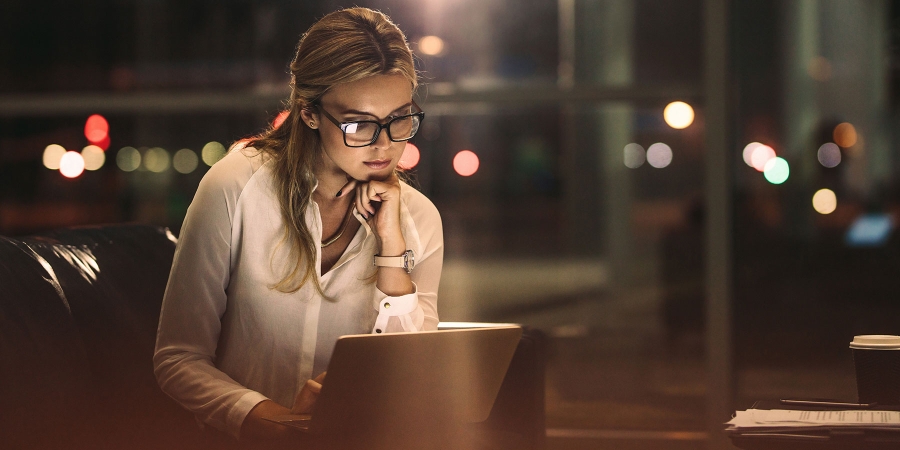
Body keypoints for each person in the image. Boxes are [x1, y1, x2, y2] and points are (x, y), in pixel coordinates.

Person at [153, 7, 443, 444]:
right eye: (358, 123)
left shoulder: (417, 218)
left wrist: (390, 246)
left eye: (400, 119)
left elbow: (415, 373)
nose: (385, 145)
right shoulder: (236, 186)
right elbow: (177, 358)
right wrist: (265, 417)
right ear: (308, 114)